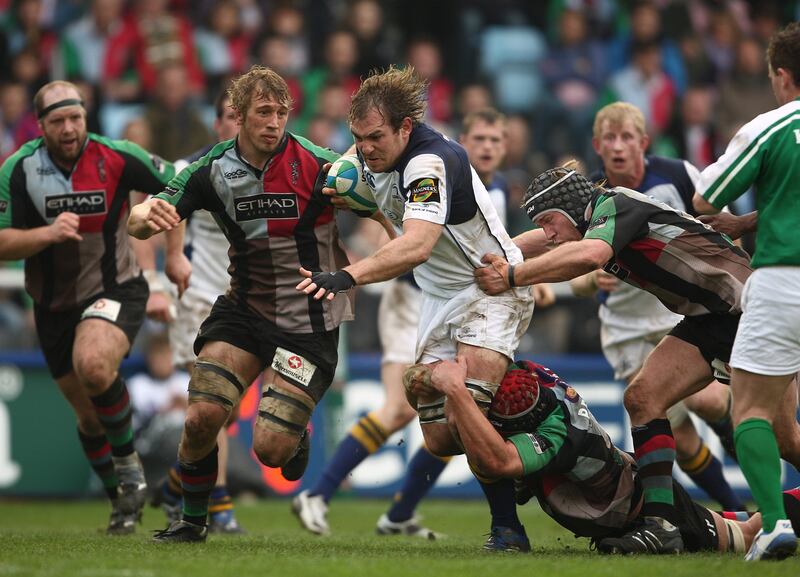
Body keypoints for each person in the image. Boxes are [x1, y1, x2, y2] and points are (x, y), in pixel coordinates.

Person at [295, 67, 535, 551]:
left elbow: (418, 245)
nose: (365, 148)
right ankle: (519, 445)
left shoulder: (429, 162)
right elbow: (357, 194)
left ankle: (509, 526)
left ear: (405, 128)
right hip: (436, 298)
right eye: (358, 138)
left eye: (376, 137)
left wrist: (349, 275)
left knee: (471, 405)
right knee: (441, 437)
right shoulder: (366, 156)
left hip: (487, 293)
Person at [474, 163, 757, 554]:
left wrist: (512, 276)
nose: (549, 233)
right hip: (707, 317)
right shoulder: (593, 217)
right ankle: (662, 525)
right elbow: (536, 243)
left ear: (574, 207)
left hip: (747, 309)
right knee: (643, 398)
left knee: (775, 431)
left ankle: (774, 512)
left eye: (550, 221)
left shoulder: (615, 204)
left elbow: (589, 255)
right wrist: (484, 256)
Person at [128, 65, 353, 543]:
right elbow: (140, 217)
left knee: (270, 452)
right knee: (202, 415)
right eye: (263, 112)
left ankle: (293, 433)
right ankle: (192, 521)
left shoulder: (320, 163)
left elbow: (379, 203)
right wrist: (147, 215)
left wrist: (404, 246)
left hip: (308, 318)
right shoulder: (211, 169)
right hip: (244, 309)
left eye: (281, 112)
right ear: (239, 115)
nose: (274, 122)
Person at [0, 80, 181, 534]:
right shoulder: (18, 169)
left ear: (86, 116)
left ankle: (132, 474)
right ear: (40, 125)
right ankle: (122, 502)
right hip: (52, 305)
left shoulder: (118, 155)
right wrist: (47, 234)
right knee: (87, 415)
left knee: (94, 365)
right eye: (57, 120)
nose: (68, 128)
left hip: (116, 287)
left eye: (75, 118)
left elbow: (180, 186)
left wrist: (172, 257)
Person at [426, 356, 800, 555]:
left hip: (643, 508)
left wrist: (457, 392)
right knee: (733, 519)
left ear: (529, 426)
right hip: (631, 497)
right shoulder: (534, 381)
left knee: (749, 535)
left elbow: (498, 461)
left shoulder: (558, 434)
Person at [571, 102, 742, 511]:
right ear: (597, 145)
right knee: (677, 435)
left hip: (679, 312)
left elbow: (725, 227)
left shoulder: (679, 175)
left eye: (626, 137)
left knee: (709, 402)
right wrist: (594, 276)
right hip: (627, 327)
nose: (618, 146)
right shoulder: (588, 198)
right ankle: (734, 509)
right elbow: (575, 279)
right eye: (609, 138)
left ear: (643, 143)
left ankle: (731, 435)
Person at [692, 22, 800, 561]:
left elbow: (705, 197)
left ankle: (776, 524)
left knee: (752, 411)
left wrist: (753, 218)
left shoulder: (772, 126)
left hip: (785, 280)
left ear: (782, 76)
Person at [152, 91, 246, 534]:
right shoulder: (193, 167)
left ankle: (176, 483)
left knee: (225, 409)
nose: (236, 126)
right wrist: (168, 266)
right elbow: (162, 208)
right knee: (212, 401)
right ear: (217, 124)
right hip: (197, 297)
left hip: (245, 302)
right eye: (229, 117)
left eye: (241, 117)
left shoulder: (267, 169)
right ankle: (219, 505)